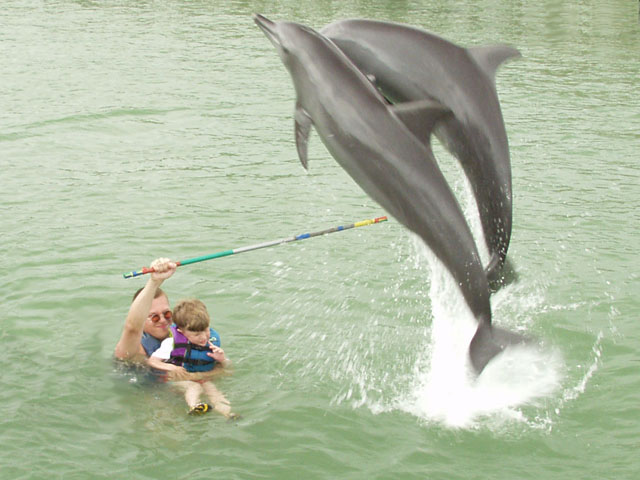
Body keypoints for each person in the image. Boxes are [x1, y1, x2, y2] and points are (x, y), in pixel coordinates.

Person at [147, 298, 237, 418]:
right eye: (196, 334)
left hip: (200, 377)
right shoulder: (171, 343)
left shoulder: (212, 343)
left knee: (213, 390)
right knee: (194, 386)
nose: (203, 337)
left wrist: (222, 359)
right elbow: (152, 361)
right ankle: (195, 406)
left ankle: (228, 414)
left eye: (206, 330)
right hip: (177, 380)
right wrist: (171, 368)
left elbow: (228, 368)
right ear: (181, 331)